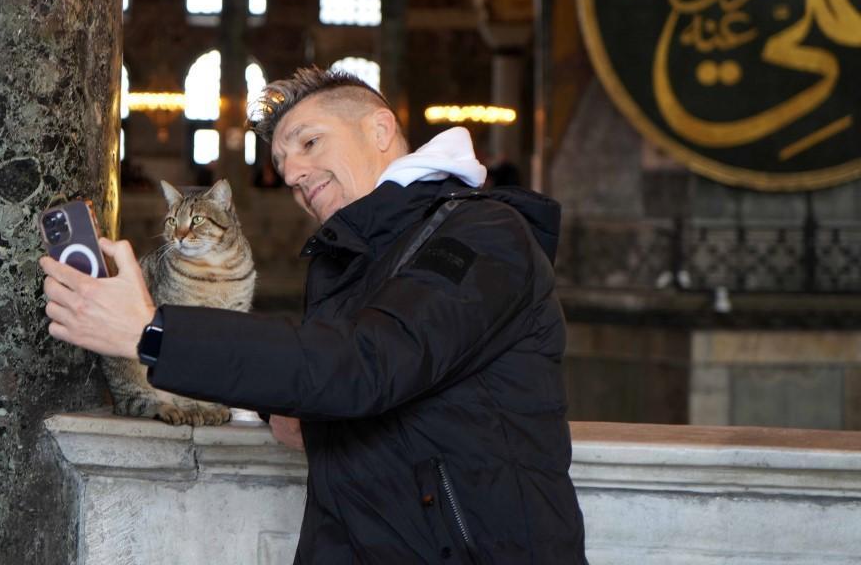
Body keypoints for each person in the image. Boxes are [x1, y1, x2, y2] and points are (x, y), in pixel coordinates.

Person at [41, 67, 587, 564]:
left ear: (379, 130)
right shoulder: (350, 261)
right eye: (281, 163)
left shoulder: (483, 234)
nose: (294, 172)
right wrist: (301, 407)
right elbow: (334, 374)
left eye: (310, 142)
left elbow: (362, 364)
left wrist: (153, 334)